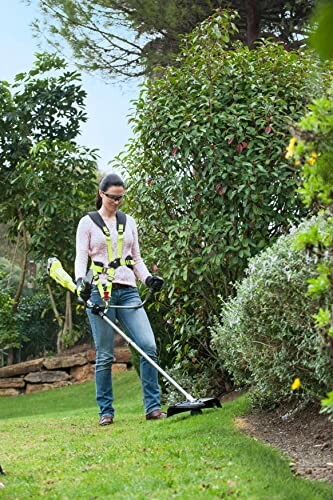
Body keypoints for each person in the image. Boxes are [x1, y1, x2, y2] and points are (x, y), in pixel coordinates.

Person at [75, 173, 166, 425]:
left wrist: (148, 279)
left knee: (148, 347)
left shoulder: (129, 222)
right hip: (99, 293)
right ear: (101, 194)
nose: (118, 202)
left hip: (128, 291)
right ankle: (106, 411)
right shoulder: (87, 223)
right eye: (113, 197)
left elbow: (136, 259)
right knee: (105, 355)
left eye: (121, 197)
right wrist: (80, 281)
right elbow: (81, 257)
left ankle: (153, 407)